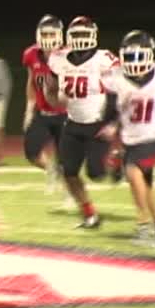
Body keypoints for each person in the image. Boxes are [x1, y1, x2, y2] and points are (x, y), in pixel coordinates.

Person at [45, 16, 119, 229]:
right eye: (76, 34)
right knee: (68, 172)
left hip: (97, 124)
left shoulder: (104, 58)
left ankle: (116, 159)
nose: (81, 38)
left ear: (94, 36)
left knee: (96, 174)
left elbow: (117, 90)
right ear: (69, 37)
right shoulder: (59, 58)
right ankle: (90, 215)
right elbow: (51, 87)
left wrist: (112, 121)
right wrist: (52, 96)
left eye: (85, 34)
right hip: (73, 123)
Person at [100, 31, 155, 247]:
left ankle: (144, 226)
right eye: (130, 57)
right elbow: (111, 111)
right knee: (144, 183)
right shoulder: (115, 78)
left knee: (132, 170)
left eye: (140, 57)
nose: (136, 63)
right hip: (132, 139)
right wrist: (112, 126)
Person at [22, 15, 69, 194]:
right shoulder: (31, 54)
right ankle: (51, 170)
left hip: (65, 114)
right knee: (31, 152)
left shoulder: (69, 55)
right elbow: (31, 81)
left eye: (52, 34)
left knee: (65, 159)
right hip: (42, 113)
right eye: (45, 34)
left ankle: (70, 195)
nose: (48, 38)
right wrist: (29, 108)